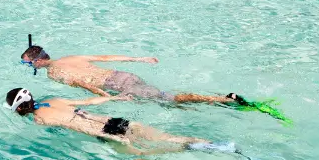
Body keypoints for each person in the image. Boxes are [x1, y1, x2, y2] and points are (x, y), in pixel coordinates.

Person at [19, 36, 246, 108]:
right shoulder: (71, 57)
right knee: (165, 101)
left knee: (167, 98)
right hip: (125, 76)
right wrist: (139, 58)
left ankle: (222, 99)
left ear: (38, 62)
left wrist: (109, 97)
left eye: (28, 64)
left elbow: (83, 84)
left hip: (120, 86)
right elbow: (106, 58)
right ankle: (209, 103)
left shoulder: (54, 73)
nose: (29, 67)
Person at [3, 88, 237, 157]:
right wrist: (114, 97)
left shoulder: (40, 120)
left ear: (21, 108)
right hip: (114, 119)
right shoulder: (53, 100)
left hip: (102, 131)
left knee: (147, 154)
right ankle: (212, 144)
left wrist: (111, 138)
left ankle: (194, 148)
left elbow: (76, 126)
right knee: (165, 136)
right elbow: (89, 101)